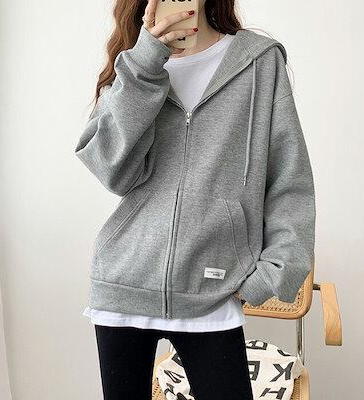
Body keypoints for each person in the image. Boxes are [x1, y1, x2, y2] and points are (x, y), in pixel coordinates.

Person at [74, 0, 316, 398]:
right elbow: (111, 170)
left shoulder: (258, 61)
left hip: (213, 288)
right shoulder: (134, 66)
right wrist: (145, 62)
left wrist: (274, 271)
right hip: (124, 283)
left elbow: (289, 178)